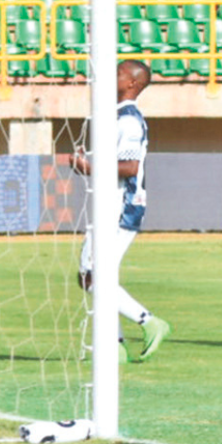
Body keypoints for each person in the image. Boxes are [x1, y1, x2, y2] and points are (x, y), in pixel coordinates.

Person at [69, 60, 171, 363]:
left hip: (121, 205)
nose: (110, 76)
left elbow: (129, 167)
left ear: (132, 84)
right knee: (96, 276)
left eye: (117, 73)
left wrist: (88, 166)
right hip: (112, 203)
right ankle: (114, 347)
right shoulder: (116, 116)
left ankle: (149, 321)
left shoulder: (128, 120)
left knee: (91, 275)